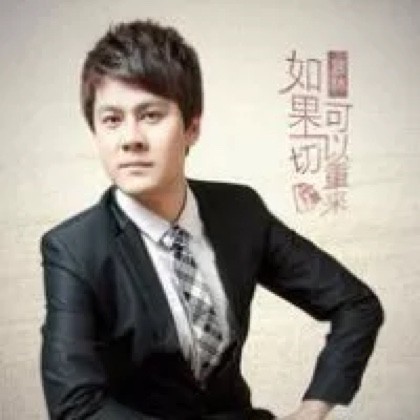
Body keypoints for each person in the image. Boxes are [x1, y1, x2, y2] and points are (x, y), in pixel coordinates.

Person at [40, 19, 384, 420]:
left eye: (150, 115)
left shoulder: (240, 211)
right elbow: (75, 407)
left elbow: (355, 304)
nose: (130, 139)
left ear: (192, 128)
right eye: (112, 119)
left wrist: (314, 408)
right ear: (96, 133)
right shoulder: (74, 250)